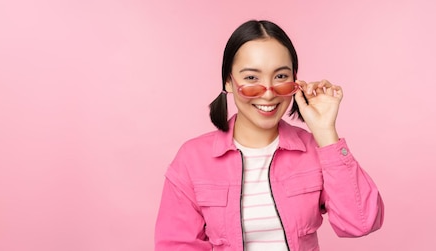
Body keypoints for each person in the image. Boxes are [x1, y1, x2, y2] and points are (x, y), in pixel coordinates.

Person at [154, 20, 384, 251]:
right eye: (252, 78)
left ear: (295, 80)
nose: (268, 93)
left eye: (281, 77)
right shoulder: (192, 159)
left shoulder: (315, 150)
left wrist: (326, 133)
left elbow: (360, 223)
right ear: (228, 81)